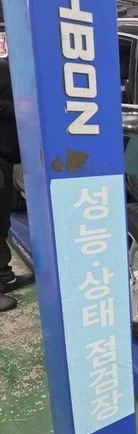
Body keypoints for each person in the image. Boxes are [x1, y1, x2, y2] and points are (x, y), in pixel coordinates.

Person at [0, 57, 34, 311]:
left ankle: (5, 276)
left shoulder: (21, 72)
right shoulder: (3, 68)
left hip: (5, 156)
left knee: (2, 219)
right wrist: (22, 110)